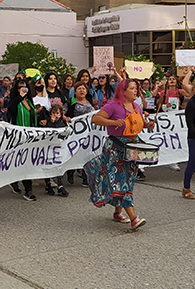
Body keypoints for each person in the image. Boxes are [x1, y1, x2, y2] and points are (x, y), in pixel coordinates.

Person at [84, 79, 155, 230]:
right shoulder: (113, 106)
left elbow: (138, 124)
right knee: (119, 181)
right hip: (115, 148)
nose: (136, 91)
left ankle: (117, 212)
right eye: (132, 88)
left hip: (132, 147)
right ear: (123, 91)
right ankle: (134, 218)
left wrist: (147, 125)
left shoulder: (137, 107)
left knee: (128, 180)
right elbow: (95, 118)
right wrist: (113, 123)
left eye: (137, 88)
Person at [6, 78, 38, 201]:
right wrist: (19, 96)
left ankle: (25, 187)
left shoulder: (30, 102)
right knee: (21, 161)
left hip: (30, 136)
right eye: (20, 87)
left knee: (26, 163)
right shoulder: (15, 101)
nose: (23, 89)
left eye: (25, 87)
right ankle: (24, 187)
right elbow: (11, 110)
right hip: (19, 136)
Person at [65, 81, 96, 186]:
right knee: (74, 153)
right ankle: (70, 172)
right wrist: (67, 118)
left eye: (84, 89)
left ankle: (85, 177)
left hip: (88, 133)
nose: (82, 90)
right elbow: (62, 113)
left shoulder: (89, 102)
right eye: (79, 89)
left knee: (86, 154)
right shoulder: (71, 102)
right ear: (75, 92)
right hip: (75, 133)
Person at [42, 104, 70, 197]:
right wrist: (51, 122)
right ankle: (48, 185)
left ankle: (60, 185)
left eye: (57, 113)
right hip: (49, 148)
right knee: (48, 166)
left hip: (59, 148)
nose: (55, 115)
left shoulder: (62, 123)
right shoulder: (48, 123)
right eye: (53, 113)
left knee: (59, 166)